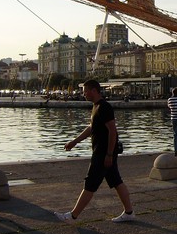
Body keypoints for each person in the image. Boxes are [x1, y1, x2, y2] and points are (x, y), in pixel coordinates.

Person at [55, 79, 135, 223]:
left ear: (93, 90)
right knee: (116, 181)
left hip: (103, 153)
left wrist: (109, 154)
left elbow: (113, 131)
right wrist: (74, 142)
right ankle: (129, 212)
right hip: (104, 152)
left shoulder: (104, 107)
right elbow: (91, 128)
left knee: (90, 183)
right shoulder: (95, 107)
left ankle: (73, 216)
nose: (83, 94)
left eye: (85, 91)